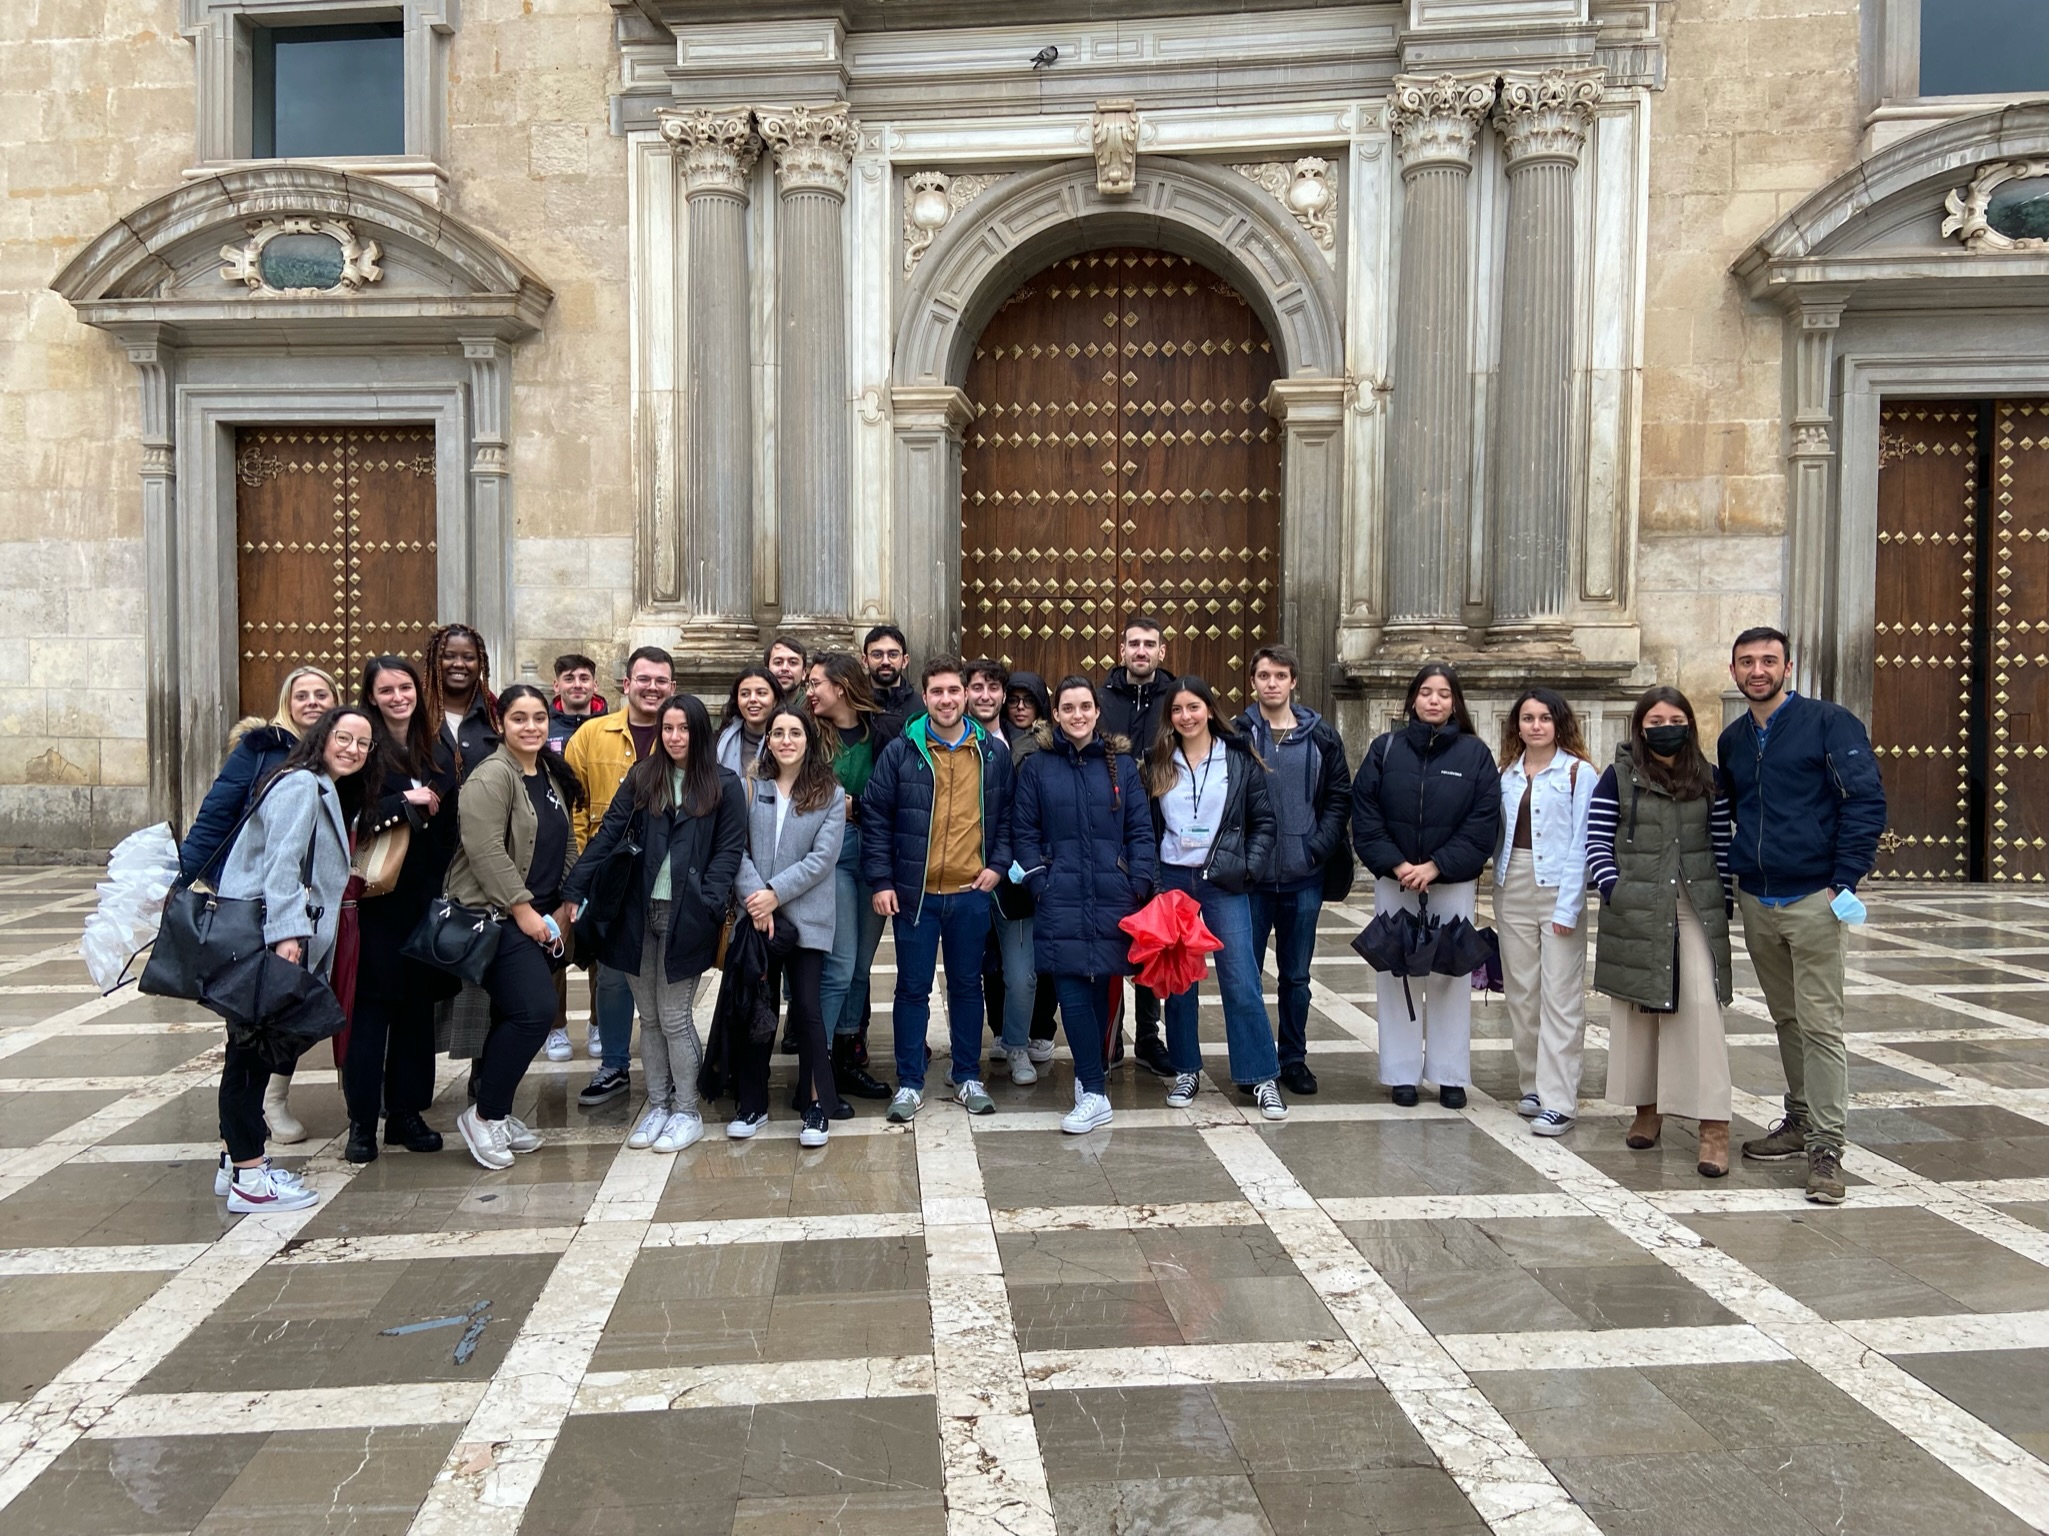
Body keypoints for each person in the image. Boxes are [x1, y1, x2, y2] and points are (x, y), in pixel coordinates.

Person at [1719, 626, 1886, 1205]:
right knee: (1786, 1018)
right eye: (1747, 662)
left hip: (1814, 897)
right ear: (1734, 671)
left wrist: (1843, 880)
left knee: (1820, 1025)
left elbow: (1864, 800)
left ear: (1788, 668)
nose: (1757, 670)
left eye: (1768, 660)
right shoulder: (1734, 740)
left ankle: (1826, 1148)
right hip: (1758, 898)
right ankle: (1798, 1118)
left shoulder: (1829, 723)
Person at [565, 694, 745, 1155]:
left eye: (684, 728)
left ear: (699, 732)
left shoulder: (723, 784)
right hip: (636, 910)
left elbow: (728, 851)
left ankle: (687, 1110)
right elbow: (609, 834)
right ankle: (659, 1104)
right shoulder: (644, 776)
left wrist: (709, 901)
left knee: (674, 1016)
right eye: (668, 728)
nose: (675, 737)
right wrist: (574, 890)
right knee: (648, 1019)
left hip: (688, 914)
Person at [211, 705, 371, 1213]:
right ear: (322, 737)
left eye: (363, 743)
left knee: (248, 1054)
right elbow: (282, 865)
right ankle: (250, 1179)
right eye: (344, 738)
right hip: (270, 942)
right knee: (250, 1059)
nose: (353, 750)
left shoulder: (315, 785)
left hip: (271, 939)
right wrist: (286, 937)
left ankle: (234, 1162)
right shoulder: (302, 785)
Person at [180, 662, 341, 1147]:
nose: (312, 703)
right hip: (261, 902)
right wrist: (183, 877)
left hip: (313, 906)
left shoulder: (339, 755)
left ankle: (268, 1105)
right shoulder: (263, 750)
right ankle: (245, 1139)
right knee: (252, 1015)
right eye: (301, 695)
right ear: (286, 704)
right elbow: (218, 812)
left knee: (287, 1006)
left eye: (322, 695)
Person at [1589, 687, 1736, 1179]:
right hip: (1638, 903)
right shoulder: (1618, 776)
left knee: (1700, 1008)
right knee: (1641, 1008)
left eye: (1675, 720)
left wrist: (1724, 898)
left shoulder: (1709, 777)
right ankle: (1647, 1107)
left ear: (1689, 724)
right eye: (1655, 721)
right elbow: (1598, 836)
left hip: (1693, 903)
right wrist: (1612, 886)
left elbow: (1720, 842)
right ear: (1640, 726)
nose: (1665, 728)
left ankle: (1713, 1126)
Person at [862, 656, 1012, 1122]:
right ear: (924, 697)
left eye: (953, 691)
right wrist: (882, 880)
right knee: (912, 989)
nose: (946, 700)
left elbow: (1006, 815)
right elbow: (876, 816)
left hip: (969, 892)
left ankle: (967, 1075)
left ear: (965, 694)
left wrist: (998, 866)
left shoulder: (992, 752)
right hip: (917, 896)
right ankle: (910, 1082)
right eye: (937, 692)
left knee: (967, 986)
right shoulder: (901, 751)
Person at [1351, 663, 1501, 1109]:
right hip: (1396, 881)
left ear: (1455, 703)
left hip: (1450, 882)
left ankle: (1449, 1074)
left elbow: (1482, 821)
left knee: (1450, 976)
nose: (1434, 700)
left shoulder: (1475, 755)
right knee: (1396, 974)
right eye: (1426, 692)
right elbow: (1366, 814)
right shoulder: (1385, 749)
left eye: (1444, 694)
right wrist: (1398, 865)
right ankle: (1401, 1074)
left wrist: (1436, 866)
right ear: (1413, 699)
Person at [448, 684, 585, 1170]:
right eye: (519, 718)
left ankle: (497, 1111)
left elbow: (565, 841)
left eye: (539, 718)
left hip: (543, 919)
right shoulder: (491, 776)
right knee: (535, 1011)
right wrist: (523, 911)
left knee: (514, 1015)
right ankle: (484, 1116)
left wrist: (568, 900)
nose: (531, 727)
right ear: (500, 723)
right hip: (500, 917)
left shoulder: (546, 772)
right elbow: (485, 850)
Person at [1011, 677, 1156, 1134]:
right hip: (1060, 895)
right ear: (1055, 714)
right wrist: (1040, 881)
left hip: (1114, 895)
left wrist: (1138, 881)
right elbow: (1024, 832)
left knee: (1101, 994)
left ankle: (1091, 1082)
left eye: (1085, 707)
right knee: (1071, 992)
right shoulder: (1037, 767)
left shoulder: (1122, 767)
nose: (1077, 715)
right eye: (1068, 707)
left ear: (1096, 712)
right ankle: (1093, 1091)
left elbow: (1140, 830)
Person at [1144, 678, 1288, 1120]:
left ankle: (1261, 1075)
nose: (1185, 716)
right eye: (1177, 710)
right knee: (1180, 982)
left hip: (1223, 878)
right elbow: (1147, 826)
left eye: (1193, 707)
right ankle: (1186, 1069)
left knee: (1241, 978)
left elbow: (1264, 822)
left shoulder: (1238, 758)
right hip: (1174, 878)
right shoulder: (1157, 760)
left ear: (1209, 709)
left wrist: (1247, 868)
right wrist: (1153, 880)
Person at [344, 656, 459, 1164]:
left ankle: (406, 1114)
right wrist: (403, 804)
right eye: (387, 690)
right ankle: (361, 1122)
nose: (398, 697)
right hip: (375, 903)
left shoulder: (436, 746)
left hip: (424, 899)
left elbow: (450, 820)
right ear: (371, 696)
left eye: (405, 687)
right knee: (371, 1016)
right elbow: (346, 816)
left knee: (415, 1014)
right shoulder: (360, 748)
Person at [1235, 644, 1352, 1098]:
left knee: (1297, 977)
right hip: (1252, 880)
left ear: (1293, 682)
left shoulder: (1322, 736)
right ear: (1253, 681)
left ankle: (1293, 1058)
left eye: (1280, 676)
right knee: (1246, 976)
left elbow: (1339, 795)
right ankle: (1255, 1060)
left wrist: (1318, 846)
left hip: (1304, 875)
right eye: (1264, 675)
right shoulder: (1237, 734)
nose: (1272, 683)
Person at [561, 646, 677, 1098]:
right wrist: (579, 870)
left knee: (666, 974)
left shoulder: (681, 736)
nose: (652, 688)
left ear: (672, 687)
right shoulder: (591, 735)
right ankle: (613, 1064)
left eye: (661, 681)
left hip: (665, 875)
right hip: (608, 873)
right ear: (626, 684)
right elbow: (571, 805)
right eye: (643, 679)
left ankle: (669, 1066)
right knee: (611, 973)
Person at [734, 705, 848, 1144]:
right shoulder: (750, 786)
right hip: (758, 918)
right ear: (768, 740)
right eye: (778, 733)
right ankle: (752, 1104)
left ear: (808, 741)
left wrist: (775, 893)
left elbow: (822, 859)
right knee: (758, 1009)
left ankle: (816, 1105)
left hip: (805, 918)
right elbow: (736, 848)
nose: (786, 740)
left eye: (795, 733)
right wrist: (758, 900)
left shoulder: (830, 793)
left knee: (807, 1010)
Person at [1493, 687, 1595, 1137]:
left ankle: (1560, 1099)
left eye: (1545, 718)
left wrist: (1569, 905)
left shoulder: (1578, 773)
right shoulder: (1506, 774)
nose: (1536, 726)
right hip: (1511, 884)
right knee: (1522, 993)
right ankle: (1532, 1084)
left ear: (1559, 724)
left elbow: (1583, 842)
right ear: (1517, 725)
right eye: (1528, 718)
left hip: (1558, 885)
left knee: (1561, 994)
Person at [804, 651, 897, 1101]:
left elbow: (895, 795)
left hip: (875, 854)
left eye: (815, 683)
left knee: (861, 966)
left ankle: (846, 1059)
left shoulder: (883, 732)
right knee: (839, 965)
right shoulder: (808, 734)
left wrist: (856, 805)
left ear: (840, 687)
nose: (809, 691)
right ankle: (816, 1069)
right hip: (833, 855)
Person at [1098, 616, 1179, 1078]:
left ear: (1161, 652)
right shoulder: (1101, 699)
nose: (1141, 651)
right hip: (1110, 835)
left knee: (1154, 939)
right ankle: (1110, 1037)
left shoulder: (1177, 698)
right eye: (1134, 643)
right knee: (1112, 938)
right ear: (1122, 650)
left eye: (1150, 644)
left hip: (1166, 836)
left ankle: (1149, 1036)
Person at [965, 657, 1038, 1084]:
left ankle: (1016, 1046)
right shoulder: (947, 739)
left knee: (1021, 974)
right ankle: (964, 1057)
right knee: (965, 973)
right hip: (962, 875)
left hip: (1013, 878)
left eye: (994, 688)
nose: (985, 696)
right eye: (977, 687)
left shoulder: (1028, 746)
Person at [1000, 669, 1061, 1067]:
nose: (1020, 707)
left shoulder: (1050, 744)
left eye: (1029, 700)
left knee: (1046, 951)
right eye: (1014, 700)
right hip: (999, 862)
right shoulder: (991, 738)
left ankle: (1041, 1029)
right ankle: (1005, 1032)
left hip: (1043, 859)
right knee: (1001, 959)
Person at [422, 623, 500, 779]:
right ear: (434, 661)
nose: (458, 664)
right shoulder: (416, 709)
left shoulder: (495, 712)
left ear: (480, 663)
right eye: (449, 656)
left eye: (468, 658)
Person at [717, 667, 782, 776]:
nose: (752, 699)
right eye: (745, 694)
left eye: (761, 693)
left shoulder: (787, 742)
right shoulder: (718, 741)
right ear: (737, 701)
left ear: (775, 700)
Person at [548, 652, 607, 754]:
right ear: (556, 686)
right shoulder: (543, 728)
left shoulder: (611, 728)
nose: (577, 685)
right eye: (569, 679)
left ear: (595, 686)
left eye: (584, 679)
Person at [863, 624, 913, 714]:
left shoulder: (922, 708)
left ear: (904, 661)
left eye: (893, 655)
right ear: (865, 660)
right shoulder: (852, 706)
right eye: (877, 655)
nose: (885, 662)